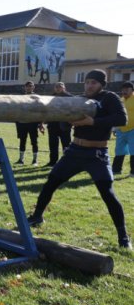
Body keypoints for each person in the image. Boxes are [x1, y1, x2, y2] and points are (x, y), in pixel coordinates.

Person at [27, 69, 131, 250]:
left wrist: (93, 122)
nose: (89, 86)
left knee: (108, 194)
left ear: (101, 85)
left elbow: (122, 119)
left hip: (97, 154)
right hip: (75, 151)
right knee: (51, 182)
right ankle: (37, 216)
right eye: (87, 82)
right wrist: (68, 121)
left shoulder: (109, 98)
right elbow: (64, 123)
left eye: (94, 83)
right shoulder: (80, 99)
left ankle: (123, 237)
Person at [15, 81, 45, 165]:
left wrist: (41, 124)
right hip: (22, 123)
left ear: (33, 87)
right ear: (24, 87)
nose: (29, 87)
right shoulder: (20, 97)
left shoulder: (36, 97)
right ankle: (21, 160)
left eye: (30, 86)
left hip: (32, 123)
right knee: (22, 141)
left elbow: (40, 111)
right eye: (27, 86)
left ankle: (35, 160)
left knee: (34, 141)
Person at [45, 82, 72, 166]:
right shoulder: (50, 97)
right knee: (53, 144)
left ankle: (67, 162)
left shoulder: (70, 97)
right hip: (52, 124)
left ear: (64, 88)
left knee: (66, 145)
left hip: (65, 125)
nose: (58, 88)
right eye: (56, 87)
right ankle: (52, 161)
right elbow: (46, 110)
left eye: (60, 87)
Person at [112, 81, 134, 177]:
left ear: (132, 90)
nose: (124, 91)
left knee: (133, 151)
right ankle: (116, 170)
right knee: (119, 151)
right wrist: (115, 128)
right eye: (123, 90)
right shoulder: (121, 100)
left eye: (127, 89)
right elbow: (117, 115)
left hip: (133, 129)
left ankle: (133, 172)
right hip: (121, 130)